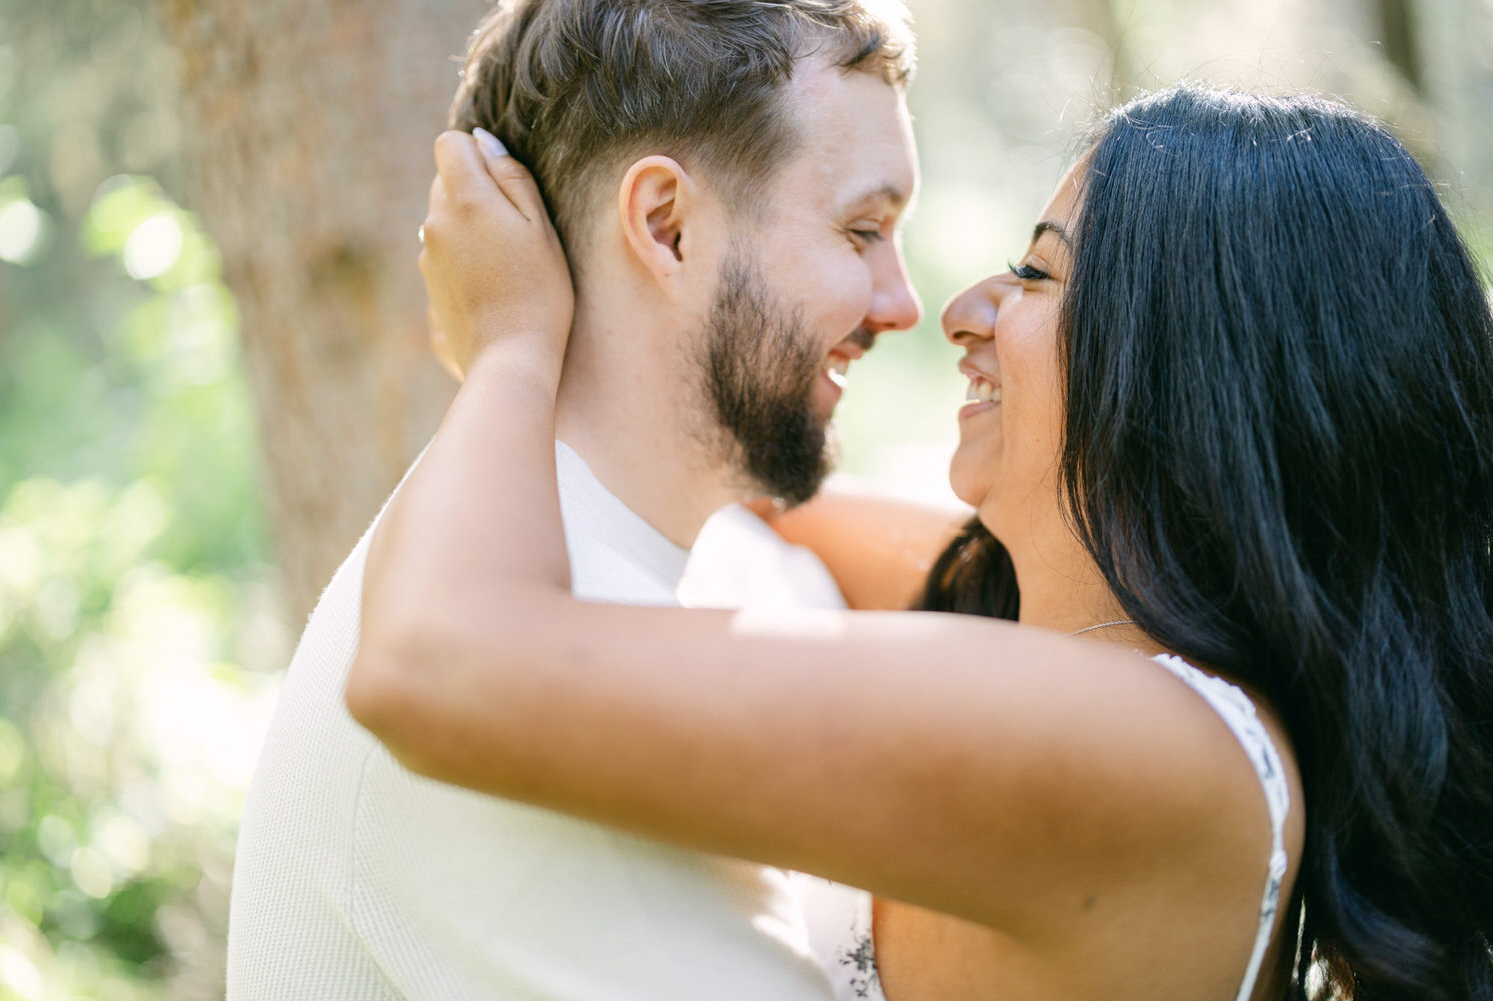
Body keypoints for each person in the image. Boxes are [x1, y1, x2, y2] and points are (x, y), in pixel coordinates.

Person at [348, 84, 1493, 1001]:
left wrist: (509, 344)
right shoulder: (1084, 648)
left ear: (1202, 372)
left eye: (1040, 272)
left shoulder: (1157, 748)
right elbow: (757, 496)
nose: (963, 309)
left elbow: (433, 662)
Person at [226, 2, 935, 999]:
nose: (902, 301)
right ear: (666, 226)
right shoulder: (527, 674)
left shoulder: (721, 552)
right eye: (863, 228)